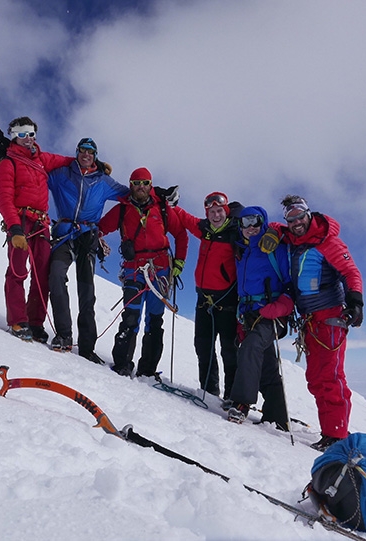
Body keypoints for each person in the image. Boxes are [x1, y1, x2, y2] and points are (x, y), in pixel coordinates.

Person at [261, 195, 363, 451]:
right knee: (316, 378)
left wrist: (356, 302)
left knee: (330, 378)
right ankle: (330, 433)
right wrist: (274, 232)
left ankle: (337, 436)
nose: (296, 222)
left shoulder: (328, 242)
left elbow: (350, 272)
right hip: (310, 323)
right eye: (290, 218)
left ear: (309, 214)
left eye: (299, 215)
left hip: (330, 320)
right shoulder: (294, 240)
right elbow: (274, 227)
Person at [97, 167, 188, 377]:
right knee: (131, 317)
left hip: (161, 271)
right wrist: (95, 238)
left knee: (155, 320)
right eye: (136, 183)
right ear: (131, 185)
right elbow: (101, 227)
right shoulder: (122, 209)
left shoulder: (163, 209)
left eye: (145, 183)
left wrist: (179, 263)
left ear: (151, 185)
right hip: (134, 270)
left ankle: (147, 370)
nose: (141, 187)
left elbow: (181, 235)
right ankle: (122, 364)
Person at [47, 138, 128, 363]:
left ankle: (86, 347)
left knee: (87, 292)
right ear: (77, 153)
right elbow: (38, 174)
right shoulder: (61, 174)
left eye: (90, 151)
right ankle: (64, 335)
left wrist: (156, 194)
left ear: (95, 156)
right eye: (83, 150)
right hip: (64, 234)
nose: (86, 154)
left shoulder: (103, 181)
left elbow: (130, 195)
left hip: (87, 237)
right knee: (55, 275)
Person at [0, 116, 73, 342]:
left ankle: (35, 322)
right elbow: (5, 200)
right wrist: (15, 229)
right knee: (18, 271)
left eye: (31, 134)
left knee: (42, 275)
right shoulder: (7, 165)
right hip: (21, 222)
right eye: (22, 134)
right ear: (13, 137)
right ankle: (18, 321)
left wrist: (92, 164)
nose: (27, 138)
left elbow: (64, 160)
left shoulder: (41, 160)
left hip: (41, 224)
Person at [169, 192, 244, 399]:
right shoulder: (205, 230)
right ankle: (209, 392)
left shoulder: (235, 232)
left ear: (226, 211)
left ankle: (232, 396)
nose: (216, 215)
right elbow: (186, 219)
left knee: (229, 350)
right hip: (203, 301)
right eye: (211, 212)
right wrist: (172, 205)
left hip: (227, 302)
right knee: (203, 346)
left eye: (219, 210)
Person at [225, 206, 294, 428]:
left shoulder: (276, 249)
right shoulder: (243, 252)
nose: (250, 227)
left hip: (272, 313)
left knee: (251, 347)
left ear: (263, 222)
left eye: (255, 221)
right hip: (248, 313)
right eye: (245, 222)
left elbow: (291, 284)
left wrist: (279, 307)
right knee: (267, 364)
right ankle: (277, 415)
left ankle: (242, 403)